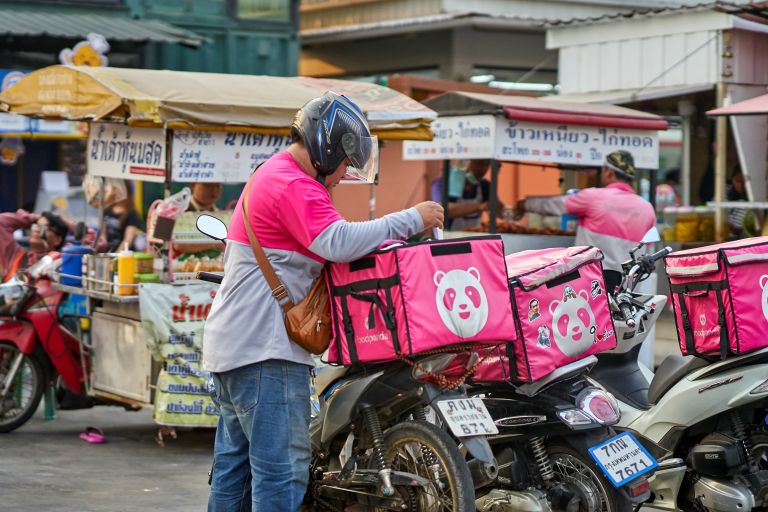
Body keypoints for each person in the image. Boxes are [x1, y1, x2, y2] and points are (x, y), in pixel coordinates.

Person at [202, 91, 444, 511]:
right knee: (280, 473)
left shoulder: (271, 174)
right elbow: (337, 241)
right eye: (347, 163)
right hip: (264, 353)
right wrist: (412, 218)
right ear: (329, 148)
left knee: (234, 473)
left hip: (235, 348)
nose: (344, 173)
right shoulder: (291, 183)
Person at [515, 150, 656, 293]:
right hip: (629, 287)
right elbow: (649, 252)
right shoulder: (647, 208)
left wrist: (524, 204)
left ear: (608, 172)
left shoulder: (594, 197)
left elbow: (554, 205)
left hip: (594, 283)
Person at [431, 159, 506, 230]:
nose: (483, 169)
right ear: (464, 162)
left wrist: (512, 212)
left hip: (473, 238)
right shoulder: (441, 183)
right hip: (447, 238)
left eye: (487, 164)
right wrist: (479, 206)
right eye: (479, 163)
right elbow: (443, 210)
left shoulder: (484, 185)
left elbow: (500, 212)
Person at [0, 210, 69, 281]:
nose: (37, 230)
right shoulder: (14, 255)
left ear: (57, 240)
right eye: (36, 225)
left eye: (44, 227)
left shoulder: (60, 264)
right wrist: (34, 218)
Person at [101, 183, 140, 252]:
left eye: (118, 190)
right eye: (114, 189)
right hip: (108, 253)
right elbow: (102, 236)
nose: (115, 192)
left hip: (123, 255)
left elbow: (128, 240)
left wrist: (116, 256)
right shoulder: (107, 210)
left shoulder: (131, 214)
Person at [726, 167, 750, 239]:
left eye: (744, 182)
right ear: (732, 179)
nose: (741, 185)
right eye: (737, 181)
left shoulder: (752, 200)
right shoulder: (723, 191)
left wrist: (737, 230)